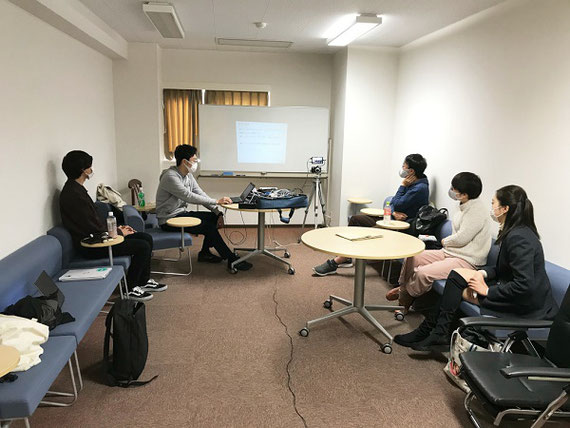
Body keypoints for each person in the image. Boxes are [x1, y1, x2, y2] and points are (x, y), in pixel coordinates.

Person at [394, 185, 559, 351]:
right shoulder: (516, 232)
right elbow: (504, 270)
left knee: (457, 289)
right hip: (514, 294)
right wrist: (482, 273)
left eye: (493, 203)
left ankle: (433, 332)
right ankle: (433, 331)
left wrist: (487, 291)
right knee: (456, 275)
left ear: (505, 208)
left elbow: (524, 285)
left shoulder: (520, 238)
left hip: (524, 306)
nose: (492, 208)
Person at [59, 150, 167, 302]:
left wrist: (118, 230)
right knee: (141, 246)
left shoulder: (76, 189)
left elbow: (93, 222)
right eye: (90, 166)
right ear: (83, 170)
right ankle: (130, 288)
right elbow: (91, 227)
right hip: (92, 245)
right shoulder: (73, 195)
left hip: (99, 237)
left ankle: (143, 281)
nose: (92, 169)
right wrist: (119, 232)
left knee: (145, 237)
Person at [387, 172, 492, 313]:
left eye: (454, 189)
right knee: (412, 257)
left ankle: (404, 300)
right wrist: (447, 244)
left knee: (423, 273)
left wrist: (445, 241)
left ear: (464, 194)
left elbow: (462, 238)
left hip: (467, 260)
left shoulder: (477, 211)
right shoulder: (462, 204)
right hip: (450, 252)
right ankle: (404, 289)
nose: (451, 191)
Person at [313, 153, 429, 276]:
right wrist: (394, 211)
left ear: (411, 171)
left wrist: (402, 186)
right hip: (391, 219)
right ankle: (347, 257)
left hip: (402, 226)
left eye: (404, 166)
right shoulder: (411, 182)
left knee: (367, 233)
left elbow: (397, 203)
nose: (402, 169)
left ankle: (335, 263)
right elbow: (392, 202)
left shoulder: (419, 188)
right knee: (356, 219)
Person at [155, 144, 252, 271]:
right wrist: (217, 201)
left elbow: (200, 194)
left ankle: (205, 253)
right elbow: (188, 196)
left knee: (213, 218)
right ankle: (231, 259)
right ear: (184, 162)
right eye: (194, 160)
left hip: (180, 214)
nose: (195, 163)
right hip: (169, 220)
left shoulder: (188, 176)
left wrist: (217, 212)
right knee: (208, 227)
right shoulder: (170, 177)